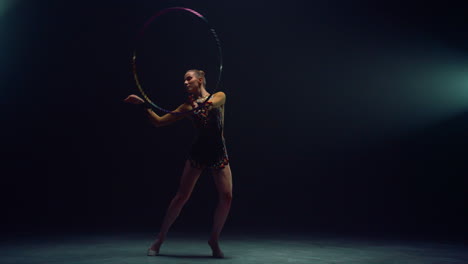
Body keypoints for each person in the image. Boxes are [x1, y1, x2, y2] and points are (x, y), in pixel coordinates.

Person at [124, 69, 232, 258]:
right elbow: (158, 122)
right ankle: (159, 239)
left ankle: (214, 239)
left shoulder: (219, 96)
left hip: (218, 152)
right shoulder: (185, 107)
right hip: (199, 152)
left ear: (200, 79)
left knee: (227, 196)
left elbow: (213, 104)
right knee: (181, 196)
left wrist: (201, 105)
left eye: (188, 78)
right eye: (183, 80)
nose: (185, 82)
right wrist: (143, 105)